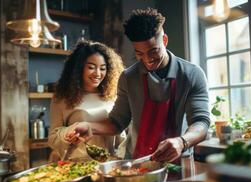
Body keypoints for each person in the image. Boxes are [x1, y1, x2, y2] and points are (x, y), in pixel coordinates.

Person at [73, 7, 210, 162]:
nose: (148, 60)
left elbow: (201, 123)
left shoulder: (191, 74)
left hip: (178, 163)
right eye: (139, 53)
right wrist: (90, 127)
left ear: (164, 40)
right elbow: (117, 122)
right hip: (139, 163)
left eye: (153, 51)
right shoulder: (128, 77)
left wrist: (182, 142)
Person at [48, 40, 124, 160]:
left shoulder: (113, 96)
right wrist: (71, 131)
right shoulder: (62, 97)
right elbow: (52, 138)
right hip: (76, 165)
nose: (98, 73)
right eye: (91, 67)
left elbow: (121, 137)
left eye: (103, 68)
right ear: (79, 68)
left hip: (107, 165)